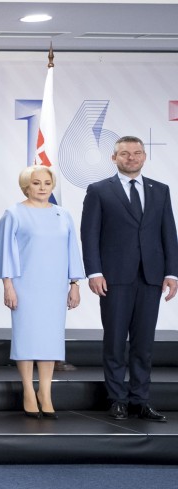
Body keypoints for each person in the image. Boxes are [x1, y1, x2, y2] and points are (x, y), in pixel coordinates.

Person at [81, 136, 178, 422]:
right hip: (114, 277)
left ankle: (140, 400)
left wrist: (172, 272)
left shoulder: (160, 190)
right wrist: (94, 272)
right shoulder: (99, 190)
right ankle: (117, 400)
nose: (131, 158)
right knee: (114, 341)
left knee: (143, 343)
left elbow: (168, 234)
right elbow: (90, 235)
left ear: (144, 157)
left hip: (151, 276)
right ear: (114, 158)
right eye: (125, 153)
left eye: (137, 153)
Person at [0, 166, 83, 419]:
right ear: (26, 186)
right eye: (36, 183)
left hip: (54, 287)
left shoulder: (62, 214)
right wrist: (8, 285)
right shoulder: (14, 213)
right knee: (27, 338)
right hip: (25, 286)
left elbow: (71, 250)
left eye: (47, 182)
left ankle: (45, 392)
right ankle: (28, 391)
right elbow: (5, 252)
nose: (43, 187)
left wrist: (74, 284)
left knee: (49, 340)